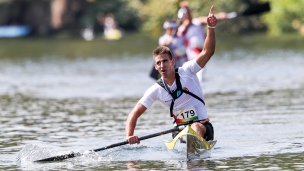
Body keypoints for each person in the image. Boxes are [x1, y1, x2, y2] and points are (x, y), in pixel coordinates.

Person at [126, 6, 217, 145]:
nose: (162, 65)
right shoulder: (156, 89)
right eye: (159, 63)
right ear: (156, 67)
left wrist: (211, 28)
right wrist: (130, 135)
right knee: (187, 131)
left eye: (165, 61)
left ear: (172, 62)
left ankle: (195, 151)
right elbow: (134, 113)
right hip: (179, 131)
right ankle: (191, 152)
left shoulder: (187, 70)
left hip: (203, 127)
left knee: (195, 127)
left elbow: (207, 52)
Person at [177, 1, 227, 82]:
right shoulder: (182, 28)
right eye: (183, 16)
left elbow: (209, 19)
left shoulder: (197, 21)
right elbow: (189, 21)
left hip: (203, 50)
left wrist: (221, 16)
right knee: (200, 71)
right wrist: (187, 9)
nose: (185, 17)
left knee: (201, 72)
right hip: (192, 52)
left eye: (185, 15)